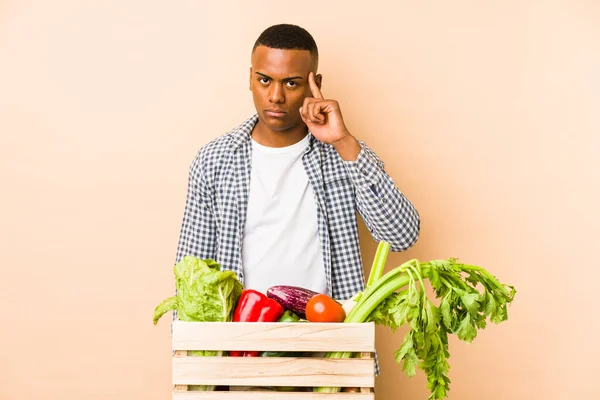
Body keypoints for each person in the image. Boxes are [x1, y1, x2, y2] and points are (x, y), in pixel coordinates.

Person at [174, 24, 420, 302]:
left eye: (291, 83)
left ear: (315, 83)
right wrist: (185, 344)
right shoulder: (214, 161)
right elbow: (190, 274)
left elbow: (402, 235)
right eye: (265, 80)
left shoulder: (343, 154)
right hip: (242, 339)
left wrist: (343, 142)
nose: (276, 96)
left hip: (331, 338)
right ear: (250, 78)